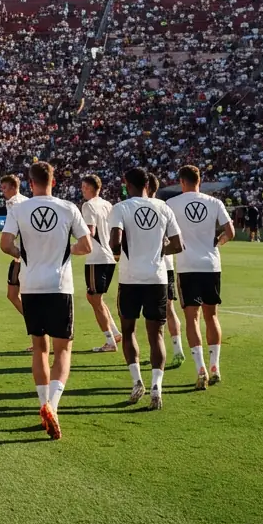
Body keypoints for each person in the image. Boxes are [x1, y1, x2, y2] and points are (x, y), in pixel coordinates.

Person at [0, 162, 92, 440]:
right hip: (59, 285)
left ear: (30, 183)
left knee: (40, 348)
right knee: (63, 350)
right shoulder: (68, 208)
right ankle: (53, 405)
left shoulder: (19, 209)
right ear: (54, 180)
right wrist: (67, 249)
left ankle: (43, 403)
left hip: (31, 285)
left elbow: (5, 244)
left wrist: (22, 253)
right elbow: (86, 246)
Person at [109, 168, 183, 410]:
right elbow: (178, 245)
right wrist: (158, 251)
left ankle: (136, 381)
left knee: (128, 331)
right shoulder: (163, 207)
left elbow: (115, 242)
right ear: (147, 184)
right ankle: (156, 388)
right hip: (157, 278)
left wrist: (120, 252)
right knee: (156, 334)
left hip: (130, 278)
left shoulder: (121, 208)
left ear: (127, 184)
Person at [165, 165, 235, 389]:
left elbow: (165, 235)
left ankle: (200, 369)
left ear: (181, 182)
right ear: (199, 181)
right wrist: (218, 243)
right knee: (211, 316)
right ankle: (215, 367)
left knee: (192, 318)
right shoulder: (214, 202)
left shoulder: (171, 204)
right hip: (211, 265)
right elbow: (230, 232)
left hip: (188, 266)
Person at [147, 173, 187, 368]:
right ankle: (176, 350)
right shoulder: (165, 207)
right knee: (168, 309)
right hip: (167, 265)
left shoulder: (138, 208)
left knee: (152, 314)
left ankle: (160, 351)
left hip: (150, 266)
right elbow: (176, 240)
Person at [79, 174, 122, 353]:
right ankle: (115, 333)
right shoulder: (108, 205)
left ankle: (110, 341)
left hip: (96, 257)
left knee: (94, 298)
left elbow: (90, 231)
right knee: (94, 298)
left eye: (83, 187)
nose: (82, 190)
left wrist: (77, 242)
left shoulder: (88, 205)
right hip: (108, 256)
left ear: (89, 188)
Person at [0, 174, 29, 318]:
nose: (2, 191)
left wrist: (20, 254)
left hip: (24, 256)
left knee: (15, 295)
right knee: (13, 294)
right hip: (25, 255)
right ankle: (35, 323)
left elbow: (6, 244)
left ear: (13, 188)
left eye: (5, 188)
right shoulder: (27, 201)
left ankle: (36, 324)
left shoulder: (14, 204)